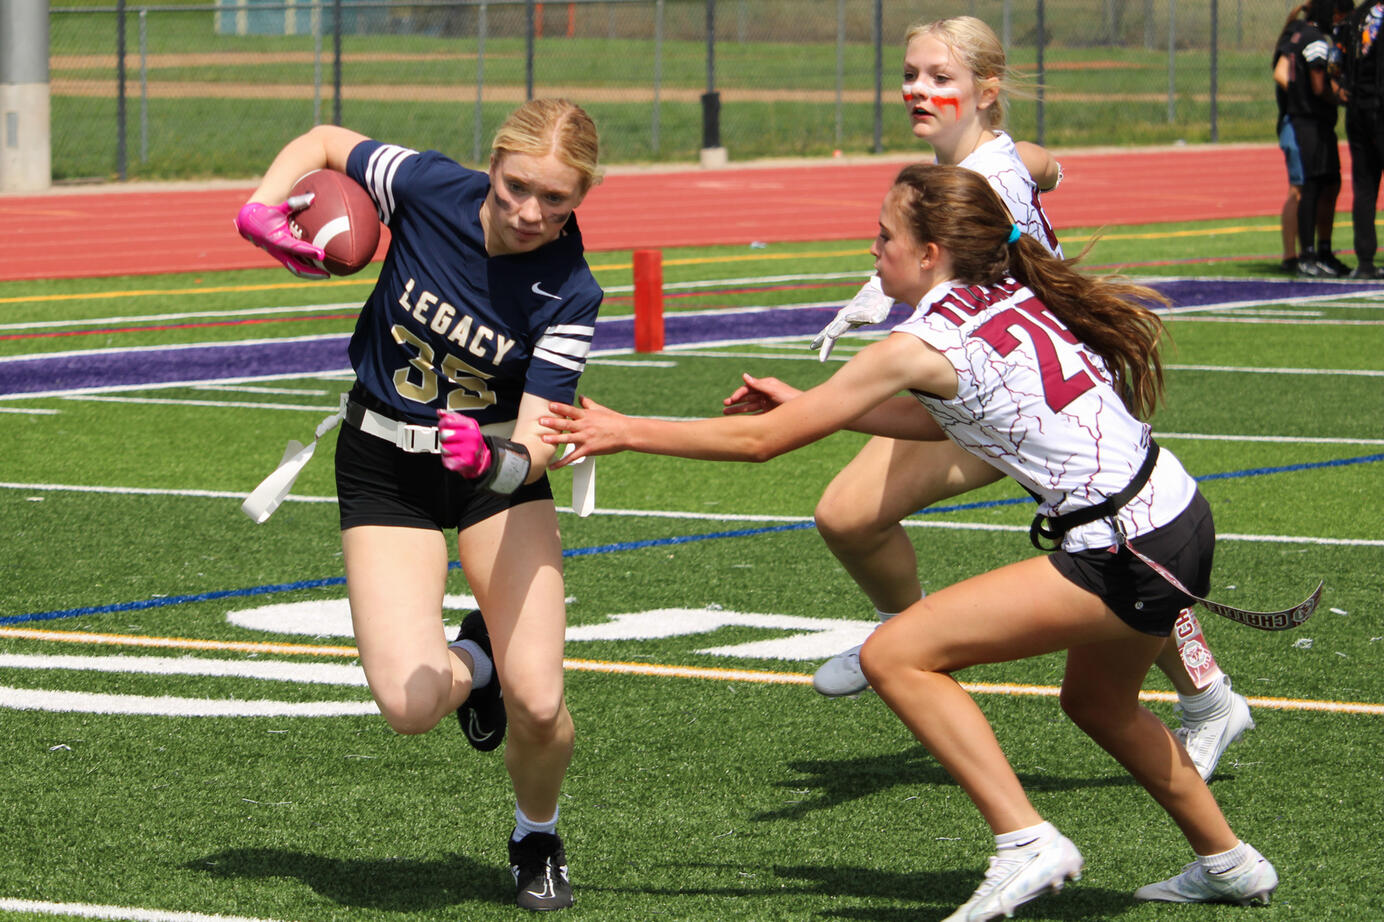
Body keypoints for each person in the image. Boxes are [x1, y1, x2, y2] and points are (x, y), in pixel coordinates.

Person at [539, 162, 1280, 921]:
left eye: (884, 235)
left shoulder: (919, 339)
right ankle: (1230, 862)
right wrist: (818, 405)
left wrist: (624, 429)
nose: (873, 249)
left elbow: (762, 443)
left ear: (930, 254)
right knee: (1098, 704)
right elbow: (951, 414)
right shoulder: (1007, 289)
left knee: (894, 655)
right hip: (1176, 516)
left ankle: (1025, 841)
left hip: (1121, 548)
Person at [806, 15, 1252, 782]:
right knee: (849, 515)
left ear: (986, 90)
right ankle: (1207, 698)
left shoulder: (989, 180)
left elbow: (993, 239)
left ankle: (1205, 702)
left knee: (1113, 547)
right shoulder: (982, 155)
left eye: (939, 78)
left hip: (1033, 394)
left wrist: (882, 291)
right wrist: (1053, 170)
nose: (918, 89)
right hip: (994, 382)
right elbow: (1034, 163)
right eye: (911, 74)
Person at [234, 98, 603, 912]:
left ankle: (536, 835)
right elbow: (323, 140)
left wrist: (498, 461)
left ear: (582, 197)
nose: (529, 212)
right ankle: (480, 663)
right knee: (409, 706)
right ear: (492, 165)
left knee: (541, 703)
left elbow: (541, 436)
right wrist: (261, 206)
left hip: (492, 473)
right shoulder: (429, 186)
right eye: (516, 186)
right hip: (383, 462)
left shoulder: (571, 290)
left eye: (555, 199)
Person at [1275, 0, 1354, 276]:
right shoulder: (1315, 40)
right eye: (1340, 15)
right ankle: (1309, 254)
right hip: (1310, 122)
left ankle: (1321, 253)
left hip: (1306, 121)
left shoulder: (1299, 34)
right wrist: (1340, 97)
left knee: (1327, 184)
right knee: (1311, 187)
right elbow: (1318, 85)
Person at [1338, 0, 1384, 277]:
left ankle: (1365, 261)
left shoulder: (1357, 16)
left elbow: (1337, 61)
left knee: (1364, 186)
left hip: (1357, 108)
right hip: (1380, 106)